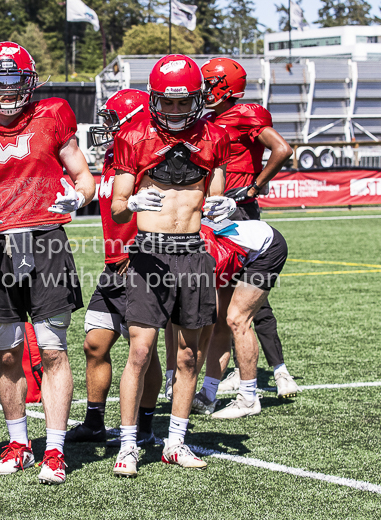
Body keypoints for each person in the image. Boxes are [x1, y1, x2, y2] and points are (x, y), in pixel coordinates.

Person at [0, 42, 95, 485]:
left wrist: (81, 196)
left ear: (30, 83)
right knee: (8, 352)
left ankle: (54, 449)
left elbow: (83, 175)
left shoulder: (53, 114)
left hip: (47, 238)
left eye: (16, 82)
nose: (8, 92)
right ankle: (18, 444)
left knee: (52, 348)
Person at [110, 55, 232, 476]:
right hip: (150, 252)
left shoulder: (214, 136)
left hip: (193, 252)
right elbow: (118, 206)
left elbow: (214, 201)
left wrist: (225, 207)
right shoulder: (134, 133)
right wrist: (132, 205)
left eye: (184, 103)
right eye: (169, 103)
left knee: (186, 356)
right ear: (155, 99)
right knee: (140, 351)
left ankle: (175, 442)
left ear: (197, 100)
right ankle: (128, 445)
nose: (176, 111)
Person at [64, 89, 162, 446]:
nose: (106, 126)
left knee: (143, 351)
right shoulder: (112, 157)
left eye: (112, 119)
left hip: (140, 264)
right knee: (95, 344)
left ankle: (147, 425)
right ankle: (94, 422)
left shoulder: (151, 155)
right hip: (112, 267)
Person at [200, 57, 298, 399]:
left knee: (244, 305)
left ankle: (273, 374)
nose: (204, 89)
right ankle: (233, 378)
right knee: (230, 304)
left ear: (226, 86)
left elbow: (282, 148)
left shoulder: (244, 113)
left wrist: (255, 185)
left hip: (235, 211)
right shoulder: (211, 118)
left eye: (209, 83)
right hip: (217, 212)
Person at [194, 219, 290, 418]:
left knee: (237, 320)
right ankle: (208, 395)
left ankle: (248, 399)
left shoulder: (204, 255)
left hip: (265, 249)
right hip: (236, 253)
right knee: (219, 321)